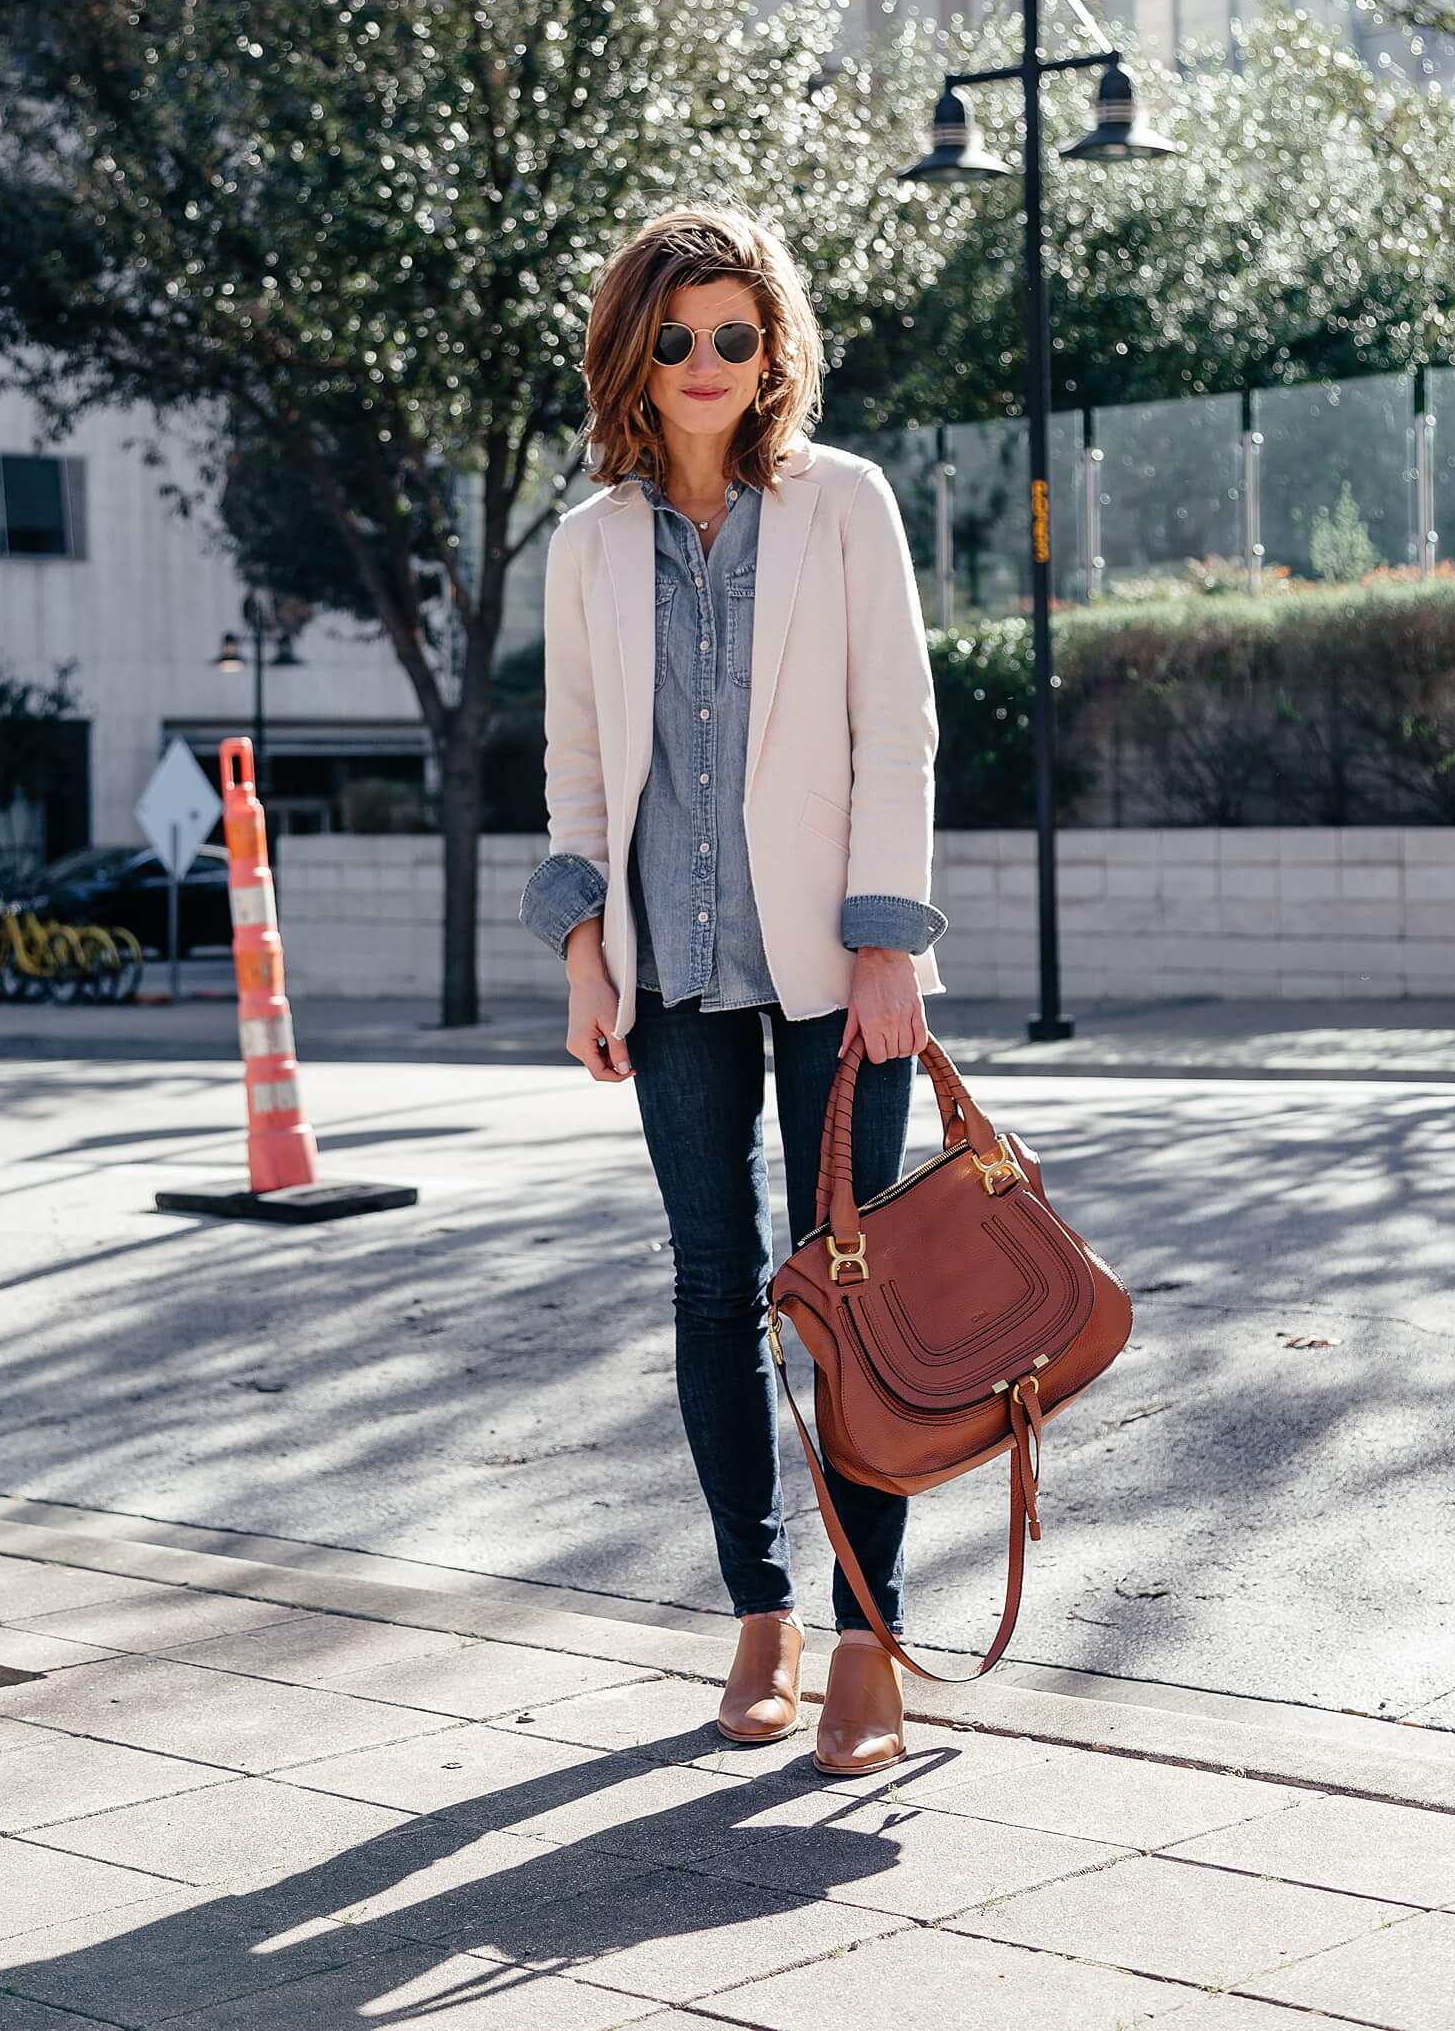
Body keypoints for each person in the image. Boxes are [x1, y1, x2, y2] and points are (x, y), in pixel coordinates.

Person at [519, 204, 948, 1777]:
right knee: (714, 1283)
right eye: (679, 335)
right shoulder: (588, 545)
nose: (708, 362)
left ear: (775, 352)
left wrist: (894, 940)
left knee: (850, 1299)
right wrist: (581, 953)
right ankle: (757, 1609)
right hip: (671, 968)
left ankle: (865, 1635)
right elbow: (571, 761)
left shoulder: (845, 507)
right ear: (637, 352)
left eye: (738, 335)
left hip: (845, 963)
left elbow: (893, 731)